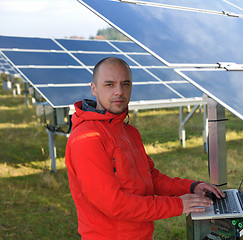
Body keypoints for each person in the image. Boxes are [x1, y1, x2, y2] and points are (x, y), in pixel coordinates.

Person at [65, 57, 224, 240]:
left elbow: (151, 178)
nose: (119, 91)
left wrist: (190, 187)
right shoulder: (87, 138)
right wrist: (177, 205)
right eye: (109, 84)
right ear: (94, 88)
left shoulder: (128, 131)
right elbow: (113, 203)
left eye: (125, 84)